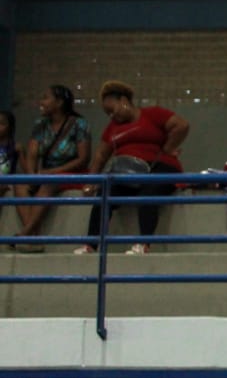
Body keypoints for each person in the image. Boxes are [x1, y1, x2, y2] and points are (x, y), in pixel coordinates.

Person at [76, 80, 188, 256]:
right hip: (128, 171)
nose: (111, 116)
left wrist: (166, 149)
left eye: (112, 110)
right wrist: (91, 182)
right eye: (107, 113)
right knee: (105, 195)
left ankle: (144, 244)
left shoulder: (152, 114)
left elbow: (182, 125)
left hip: (160, 167)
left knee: (148, 193)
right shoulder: (112, 128)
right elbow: (100, 156)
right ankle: (91, 245)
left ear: (124, 101)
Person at [14, 85, 93, 251]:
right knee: (20, 185)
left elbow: (83, 159)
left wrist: (53, 172)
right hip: (45, 173)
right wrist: (31, 176)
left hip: (72, 173)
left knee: (48, 184)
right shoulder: (40, 124)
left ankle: (25, 233)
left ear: (59, 102)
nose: (41, 102)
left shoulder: (79, 124)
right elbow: (32, 154)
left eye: (45, 98)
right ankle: (34, 235)